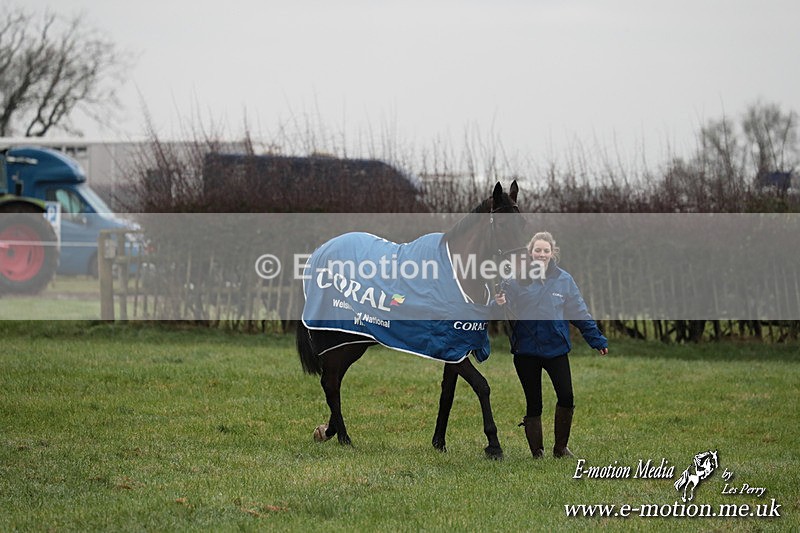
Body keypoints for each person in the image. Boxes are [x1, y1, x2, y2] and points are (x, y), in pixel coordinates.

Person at [495, 231, 608, 458]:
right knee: (534, 403)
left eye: (546, 250)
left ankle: (561, 448)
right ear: (530, 253)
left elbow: (578, 311)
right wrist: (499, 301)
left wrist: (596, 339)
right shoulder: (516, 280)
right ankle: (537, 452)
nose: (542, 254)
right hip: (526, 351)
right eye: (538, 250)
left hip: (556, 349)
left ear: (552, 253)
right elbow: (500, 307)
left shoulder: (564, 280)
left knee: (566, 396)